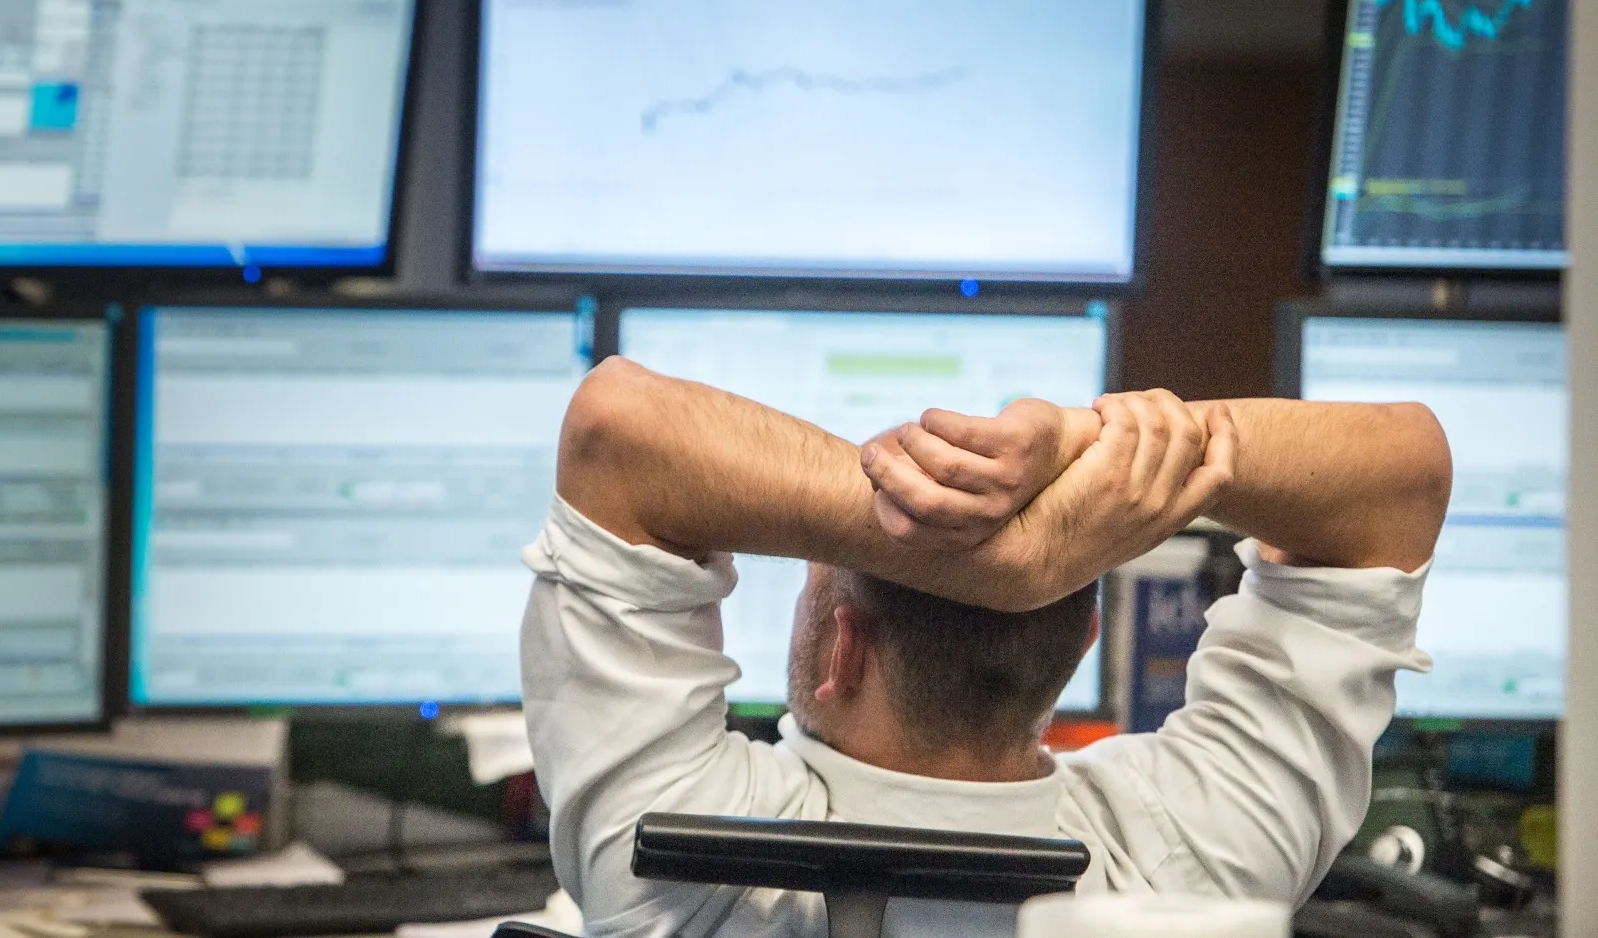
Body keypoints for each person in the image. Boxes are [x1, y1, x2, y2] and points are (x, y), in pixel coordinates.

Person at [520, 357, 1451, 936]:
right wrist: (1074, 466)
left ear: (842, 650)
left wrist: (911, 532)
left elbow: (616, 430)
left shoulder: (682, 857)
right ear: (1084, 637)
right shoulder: (1191, 862)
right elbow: (1404, 478)